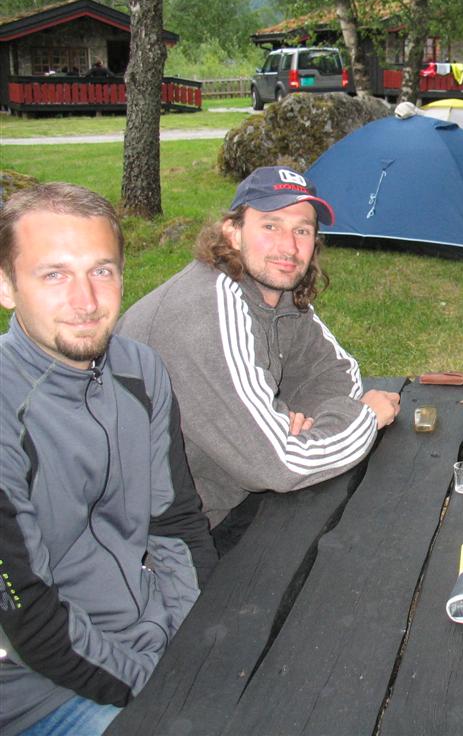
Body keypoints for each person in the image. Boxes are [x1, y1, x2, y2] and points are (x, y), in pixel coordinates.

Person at [0, 183, 217, 735]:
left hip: (150, 635)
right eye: (54, 275)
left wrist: (196, 639)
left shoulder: (140, 370)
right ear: (6, 285)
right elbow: (29, 616)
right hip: (41, 690)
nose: (86, 301)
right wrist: (160, 683)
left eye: (101, 271)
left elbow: (175, 523)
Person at [118, 166, 401, 548]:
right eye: (271, 226)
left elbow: (337, 372)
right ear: (232, 232)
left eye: (302, 230)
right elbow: (283, 464)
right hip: (157, 543)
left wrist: (299, 426)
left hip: (229, 499)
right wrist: (364, 418)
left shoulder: (275, 292)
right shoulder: (208, 309)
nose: (289, 247)